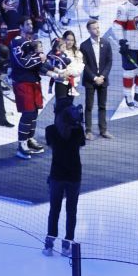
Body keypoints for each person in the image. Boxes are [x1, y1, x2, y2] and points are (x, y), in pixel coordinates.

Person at [43, 98, 86, 258]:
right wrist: (79, 124)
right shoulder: (78, 131)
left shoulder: (50, 130)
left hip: (57, 174)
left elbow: (50, 144)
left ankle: (49, 244)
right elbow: (81, 143)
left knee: (54, 209)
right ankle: (67, 243)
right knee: (71, 210)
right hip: (74, 175)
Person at [80, 19, 113, 138]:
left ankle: (103, 130)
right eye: (94, 28)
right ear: (88, 30)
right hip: (90, 81)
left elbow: (109, 62)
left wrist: (103, 76)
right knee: (89, 106)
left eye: (98, 27)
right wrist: (94, 78)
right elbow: (84, 65)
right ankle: (88, 131)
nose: (97, 30)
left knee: (102, 105)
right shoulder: (84, 46)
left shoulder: (106, 43)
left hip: (103, 80)